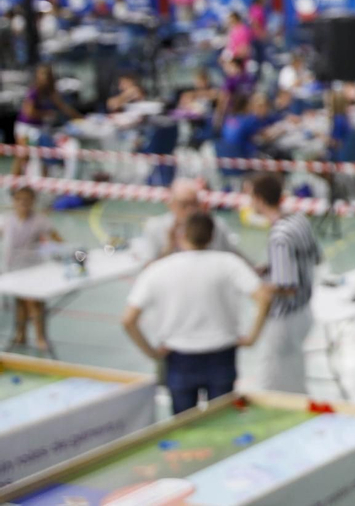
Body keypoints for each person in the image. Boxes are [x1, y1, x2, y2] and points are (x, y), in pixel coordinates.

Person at [121, 212, 273, 414]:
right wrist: (252, 337)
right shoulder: (228, 263)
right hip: (222, 354)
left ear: (180, 236)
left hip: (179, 357)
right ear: (212, 236)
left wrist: (152, 353)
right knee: (221, 421)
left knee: (183, 425)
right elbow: (264, 296)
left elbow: (128, 320)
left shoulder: (159, 269)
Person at [246, 173, 321, 394]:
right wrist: (271, 266)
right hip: (304, 312)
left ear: (259, 199)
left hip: (284, 322)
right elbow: (315, 257)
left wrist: (256, 286)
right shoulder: (298, 220)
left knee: (274, 385)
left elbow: (287, 286)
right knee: (294, 375)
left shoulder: (279, 236)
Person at [3, 187, 61, 349]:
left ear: (33, 202)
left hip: (34, 270)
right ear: (14, 201)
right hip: (14, 268)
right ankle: (20, 335)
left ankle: (40, 337)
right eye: (19, 199)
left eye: (27, 200)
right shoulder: (7, 220)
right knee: (20, 302)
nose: (23, 203)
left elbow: (58, 241)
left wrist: (56, 252)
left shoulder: (40, 221)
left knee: (35, 303)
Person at [137, 179, 239, 261]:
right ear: (171, 205)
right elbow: (148, 269)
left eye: (194, 204)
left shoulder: (216, 226)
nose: (190, 210)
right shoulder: (155, 227)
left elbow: (233, 257)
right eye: (184, 205)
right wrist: (169, 248)